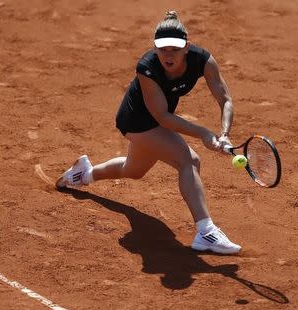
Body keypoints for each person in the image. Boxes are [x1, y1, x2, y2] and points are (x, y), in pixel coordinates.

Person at [56, 11, 241, 254]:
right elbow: (161, 116)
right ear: (155, 48)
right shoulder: (147, 68)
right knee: (189, 161)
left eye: (175, 48)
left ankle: (83, 174)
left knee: (132, 171)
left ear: (187, 46)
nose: (168, 54)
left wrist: (224, 132)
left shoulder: (203, 60)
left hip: (158, 123)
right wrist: (205, 133)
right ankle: (205, 232)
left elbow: (225, 98)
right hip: (136, 122)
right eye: (163, 49)